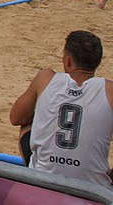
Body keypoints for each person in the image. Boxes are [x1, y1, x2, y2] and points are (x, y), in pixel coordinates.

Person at [10, 31, 113, 185]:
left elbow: (16, 118)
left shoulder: (46, 78)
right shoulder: (109, 89)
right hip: (94, 188)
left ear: (68, 61)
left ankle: (33, 173)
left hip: (45, 182)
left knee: (26, 124)